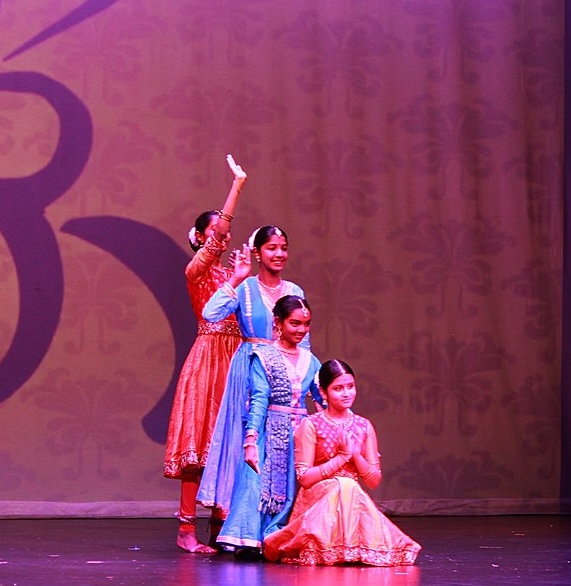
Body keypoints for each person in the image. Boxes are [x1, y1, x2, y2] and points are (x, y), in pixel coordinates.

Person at [163, 154, 247, 554]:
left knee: (228, 445)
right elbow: (218, 239)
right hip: (209, 359)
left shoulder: (235, 274)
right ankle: (186, 531)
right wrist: (237, 187)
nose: (222, 237)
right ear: (199, 237)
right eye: (214, 232)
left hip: (235, 359)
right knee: (199, 445)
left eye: (223, 232)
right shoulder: (196, 271)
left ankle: (221, 526)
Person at [263, 359, 422, 566]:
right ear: (323, 392)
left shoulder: (363, 426)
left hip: (351, 499)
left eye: (350, 386)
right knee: (345, 485)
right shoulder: (311, 425)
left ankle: (348, 546)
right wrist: (340, 459)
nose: (346, 393)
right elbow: (305, 479)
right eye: (338, 388)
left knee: (348, 486)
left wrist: (355, 455)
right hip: (318, 501)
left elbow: (374, 481)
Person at [197, 225, 309, 517]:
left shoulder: (294, 291)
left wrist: (303, 379)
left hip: (285, 369)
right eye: (272, 248)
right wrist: (236, 277)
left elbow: (304, 342)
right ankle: (239, 515)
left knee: (281, 438)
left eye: (283, 248)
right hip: (250, 367)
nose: (279, 254)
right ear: (257, 253)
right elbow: (210, 314)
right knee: (248, 436)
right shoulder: (245, 287)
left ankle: (277, 513)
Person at [216, 295, 322, 558]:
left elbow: (322, 401)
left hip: (300, 434)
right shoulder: (263, 356)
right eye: (295, 323)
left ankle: (284, 537)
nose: (301, 329)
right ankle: (253, 539)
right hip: (270, 430)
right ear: (278, 323)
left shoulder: (311, 361)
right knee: (256, 484)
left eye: (306, 324)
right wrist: (251, 440)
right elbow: (259, 398)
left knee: (295, 487)